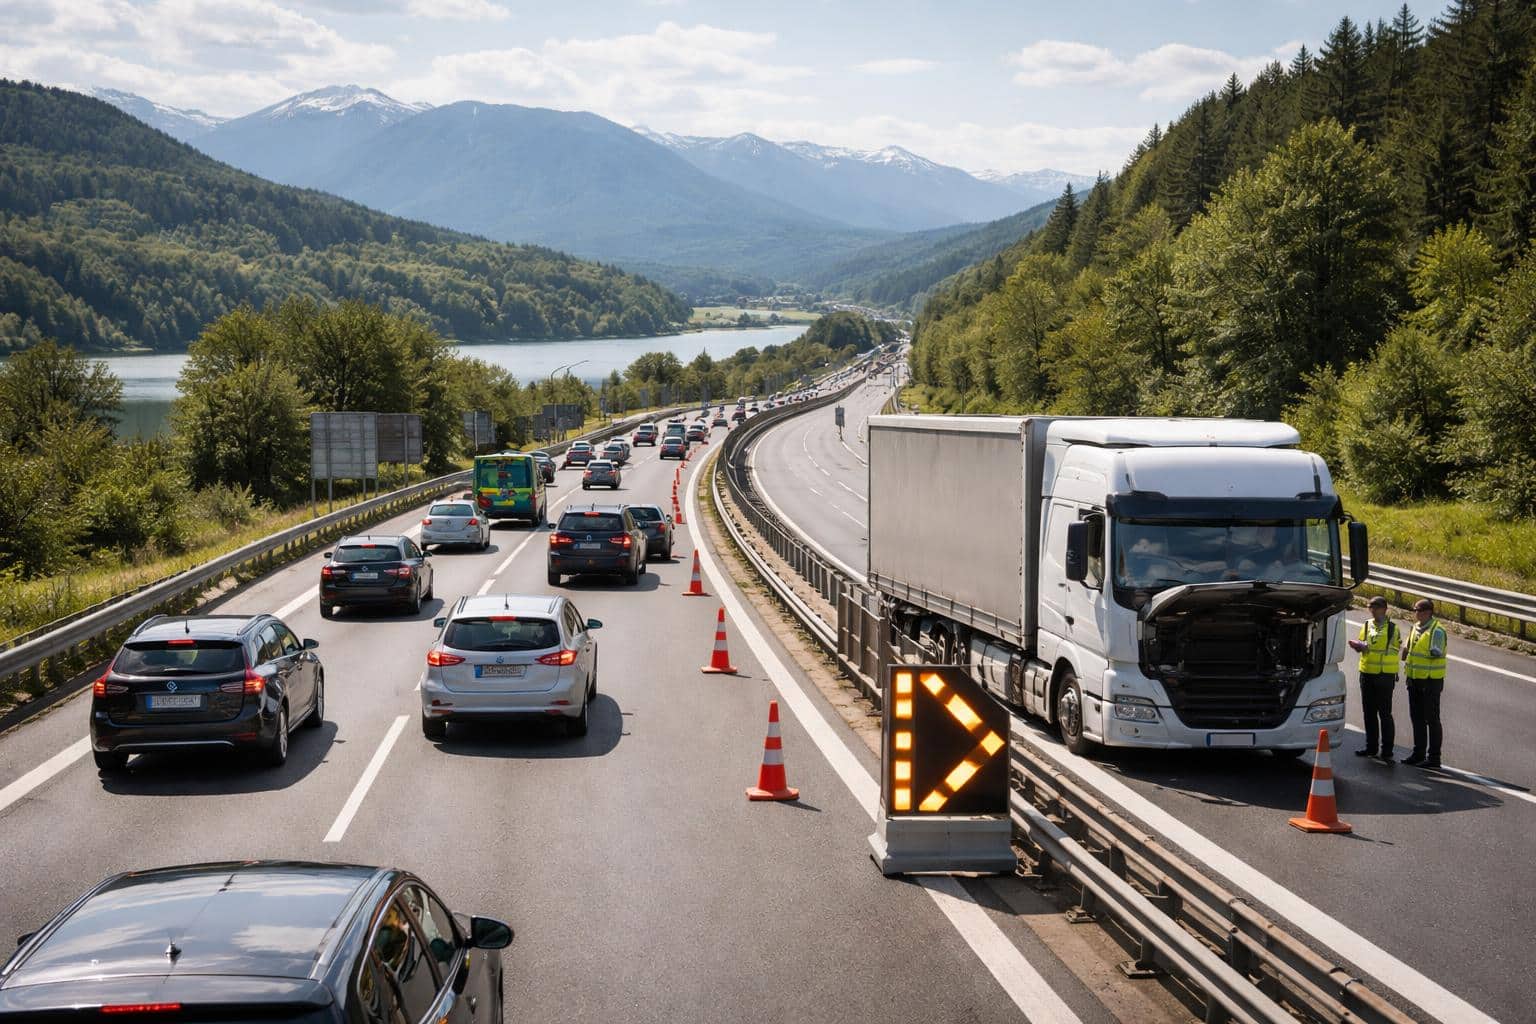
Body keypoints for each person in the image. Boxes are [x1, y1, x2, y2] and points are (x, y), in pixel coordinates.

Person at [1346, 596, 1398, 763]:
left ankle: (1387, 751)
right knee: (1368, 713)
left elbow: (1391, 649)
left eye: (1375, 607)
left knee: (1384, 714)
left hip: (1384, 675)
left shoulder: (1392, 628)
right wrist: (1358, 646)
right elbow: (1364, 643)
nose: (1372, 610)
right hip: (1367, 673)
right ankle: (1371, 747)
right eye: (1370, 608)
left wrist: (1368, 647)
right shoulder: (1367, 625)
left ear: (1384, 609)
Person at [1400, 598, 1448, 769]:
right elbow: (1407, 650)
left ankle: (1434, 757)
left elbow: (1436, 652)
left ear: (1428, 612)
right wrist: (1404, 650)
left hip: (1430, 681)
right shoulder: (1414, 628)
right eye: (1415, 610)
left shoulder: (1437, 631)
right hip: (1414, 679)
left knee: (1431, 719)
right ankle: (1418, 753)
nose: (1416, 613)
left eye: (1419, 610)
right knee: (1417, 719)